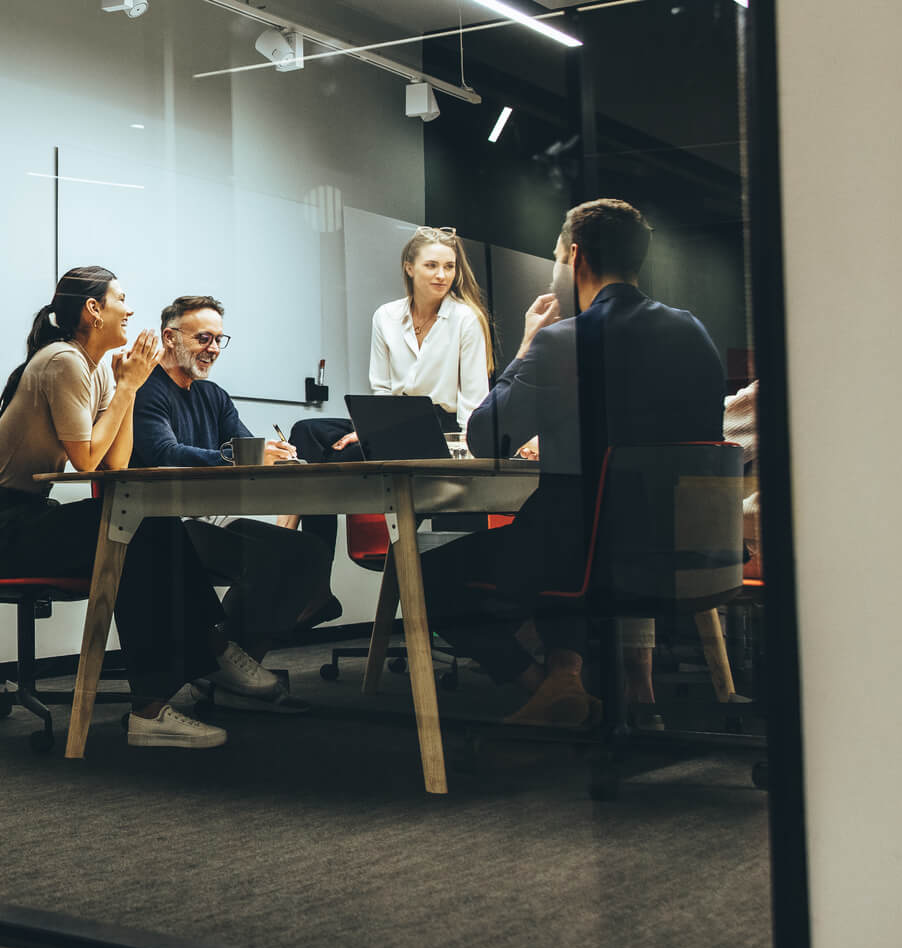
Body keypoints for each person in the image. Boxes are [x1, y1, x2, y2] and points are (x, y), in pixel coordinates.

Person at [421, 199, 726, 726]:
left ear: (576, 257)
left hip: (588, 551)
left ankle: (545, 689)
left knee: (428, 575)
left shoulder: (565, 342)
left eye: (558, 255)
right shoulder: (694, 333)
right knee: (554, 530)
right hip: (683, 544)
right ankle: (567, 684)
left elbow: (486, 439)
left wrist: (525, 346)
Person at [0, 267, 294, 749]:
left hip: (31, 516)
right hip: (2, 530)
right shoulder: (62, 361)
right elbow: (85, 462)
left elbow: (113, 463)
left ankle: (183, 675)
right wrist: (128, 390)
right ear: (93, 309)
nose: (130, 308)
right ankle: (182, 678)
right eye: (121, 299)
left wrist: (128, 385)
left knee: (143, 524)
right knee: (135, 530)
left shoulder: (97, 368)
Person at [130, 295, 334, 704]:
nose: (213, 349)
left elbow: (244, 446)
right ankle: (221, 658)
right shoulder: (146, 390)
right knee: (272, 557)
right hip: (158, 530)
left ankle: (236, 660)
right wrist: (245, 454)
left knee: (305, 551)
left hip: (203, 524)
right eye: (203, 338)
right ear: (170, 338)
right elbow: (165, 455)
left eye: (220, 340)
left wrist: (278, 457)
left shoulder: (213, 395)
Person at [284, 225, 497, 546]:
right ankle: (312, 555)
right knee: (306, 432)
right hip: (393, 424)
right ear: (409, 268)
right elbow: (381, 389)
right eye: (432, 265)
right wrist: (366, 430)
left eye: (449, 266)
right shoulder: (386, 316)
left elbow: (474, 395)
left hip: (441, 429)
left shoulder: (466, 318)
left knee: (319, 473)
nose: (442, 275)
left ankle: (291, 529)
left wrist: (466, 451)